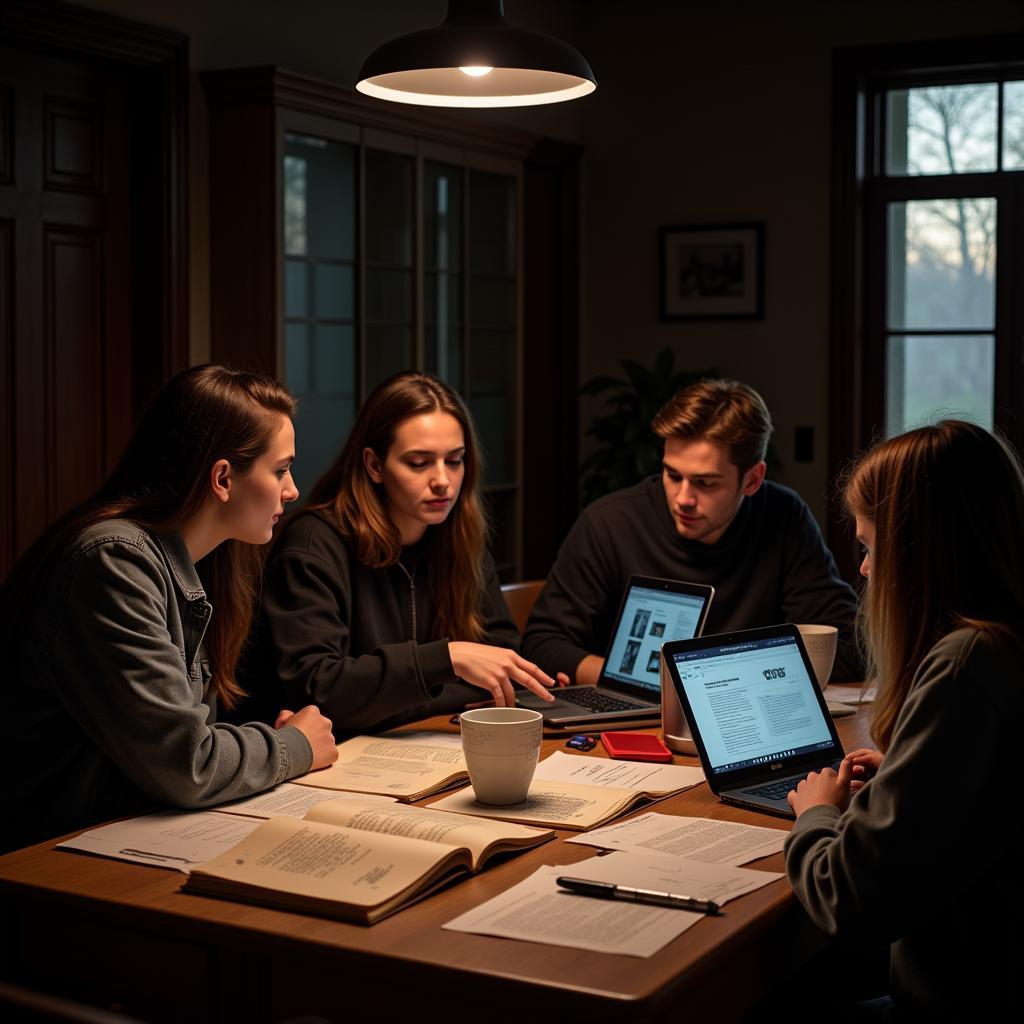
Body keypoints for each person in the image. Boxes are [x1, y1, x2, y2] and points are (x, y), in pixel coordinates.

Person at [0, 364, 338, 854]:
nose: (292, 490)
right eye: (281, 470)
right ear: (223, 478)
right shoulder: (113, 560)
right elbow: (187, 765)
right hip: (45, 858)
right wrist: (294, 747)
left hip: (114, 835)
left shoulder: (196, 560)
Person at [784, 420, 1024, 1018]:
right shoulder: (1007, 642)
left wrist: (815, 814)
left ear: (924, 549)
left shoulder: (965, 664)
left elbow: (848, 900)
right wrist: (909, 772)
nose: (862, 570)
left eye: (869, 547)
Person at [240, 371, 555, 734]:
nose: (442, 480)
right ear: (374, 465)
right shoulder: (314, 544)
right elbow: (319, 691)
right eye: (419, 463)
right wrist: (447, 660)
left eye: (454, 460)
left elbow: (500, 661)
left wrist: (392, 696)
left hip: (428, 743)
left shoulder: (457, 534)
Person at [523, 378, 860, 684]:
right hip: (632, 719)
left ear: (753, 479)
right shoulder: (610, 522)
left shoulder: (784, 517)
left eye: (705, 483)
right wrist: (651, 684)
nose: (683, 499)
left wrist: (709, 683)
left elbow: (850, 647)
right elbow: (542, 645)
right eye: (672, 475)